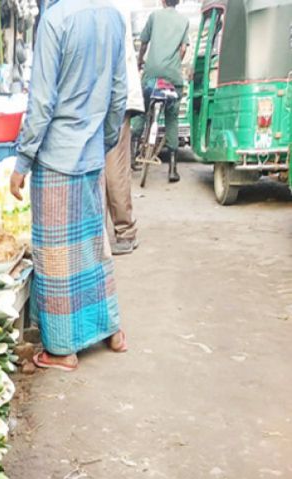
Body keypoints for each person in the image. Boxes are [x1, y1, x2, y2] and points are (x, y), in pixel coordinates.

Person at [10, 0, 128, 372]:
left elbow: (42, 102)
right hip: (91, 155)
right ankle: (111, 330)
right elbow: (119, 94)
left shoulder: (55, 21)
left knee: (57, 255)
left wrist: (22, 160)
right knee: (93, 247)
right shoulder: (113, 17)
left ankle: (62, 349)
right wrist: (104, 141)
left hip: (57, 158)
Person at [105, 0, 145, 255]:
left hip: (114, 97)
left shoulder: (111, 8)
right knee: (109, 166)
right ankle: (112, 232)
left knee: (113, 167)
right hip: (112, 94)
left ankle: (125, 232)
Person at [136, 0, 190, 183]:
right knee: (172, 117)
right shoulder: (184, 20)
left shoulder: (154, 16)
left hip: (152, 74)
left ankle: (132, 151)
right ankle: (173, 170)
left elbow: (144, 43)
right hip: (172, 78)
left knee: (141, 109)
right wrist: (174, 64)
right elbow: (183, 49)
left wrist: (140, 61)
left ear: (162, 1)